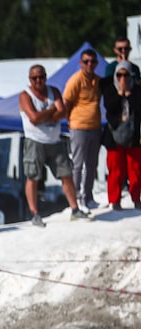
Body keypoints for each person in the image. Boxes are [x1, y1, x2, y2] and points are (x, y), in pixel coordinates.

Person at [19, 65, 87, 227]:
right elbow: (34, 118)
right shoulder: (25, 96)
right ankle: (34, 213)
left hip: (54, 141)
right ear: (30, 79)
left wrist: (46, 115)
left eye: (41, 77)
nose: (38, 81)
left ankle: (75, 209)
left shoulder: (53, 91)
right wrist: (51, 112)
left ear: (45, 77)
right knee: (33, 177)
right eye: (35, 78)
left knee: (66, 174)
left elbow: (62, 112)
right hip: (34, 140)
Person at [63, 49, 103, 210]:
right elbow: (66, 102)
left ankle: (88, 196)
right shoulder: (75, 80)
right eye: (86, 61)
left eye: (92, 61)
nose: (89, 64)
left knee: (92, 164)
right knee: (78, 165)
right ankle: (77, 198)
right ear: (80, 63)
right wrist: (70, 122)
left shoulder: (98, 80)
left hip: (95, 126)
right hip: (79, 127)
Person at [100, 61, 141, 211]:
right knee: (116, 169)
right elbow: (110, 107)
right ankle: (115, 201)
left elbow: (138, 107)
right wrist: (120, 93)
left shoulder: (137, 90)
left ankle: (136, 198)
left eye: (126, 75)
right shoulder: (110, 89)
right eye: (119, 75)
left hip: (133, 137)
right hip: (114, 135)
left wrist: (129, 94)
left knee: (135, 170)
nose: (122, 78)